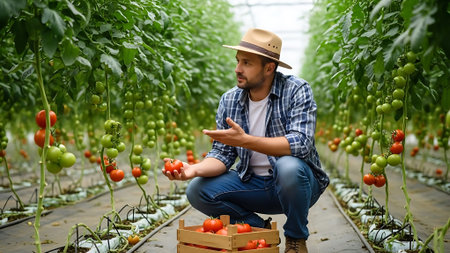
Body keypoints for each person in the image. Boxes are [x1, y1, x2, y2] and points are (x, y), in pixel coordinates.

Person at [162, 28, 329, 253]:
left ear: (269, 67)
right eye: (238, 61)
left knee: (288, 166)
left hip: (297, 186)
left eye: (247, 63)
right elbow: (223, 155)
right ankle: (261, 229)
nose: (237, 69)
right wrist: (193, 169)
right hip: (252, 184)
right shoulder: (230, 100)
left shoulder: (297, 90)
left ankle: (296, 239)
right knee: (196, 190)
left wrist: (245, 141)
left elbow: (300, 144)